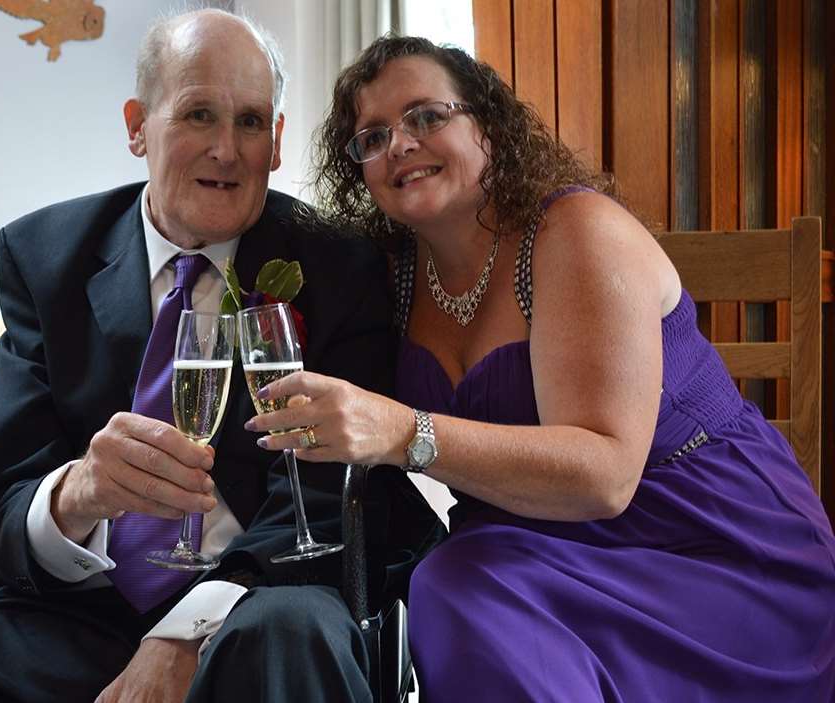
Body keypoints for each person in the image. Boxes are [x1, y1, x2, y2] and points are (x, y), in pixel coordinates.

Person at [244, 35, 835, 701]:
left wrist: (404, 431)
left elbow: (606, 477)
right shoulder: (392, 275)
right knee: (450, 580)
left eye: (427, 116)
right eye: (372, 137)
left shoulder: (576, 232)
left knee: (456, 582)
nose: (400, 144)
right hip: (532, 551)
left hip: (704, 544)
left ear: (490, 125)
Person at [0, 13, 442, 703]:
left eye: (251, 122)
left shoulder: (335, 264)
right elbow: (8, 505)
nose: (227, 151)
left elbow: (331, 498)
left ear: (277, 141)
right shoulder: (43, 256)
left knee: (290, 635)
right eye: (199, 114)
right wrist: (79, 490)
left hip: (261, 596)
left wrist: (185, 629)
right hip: (72, 611)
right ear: (137, 124)